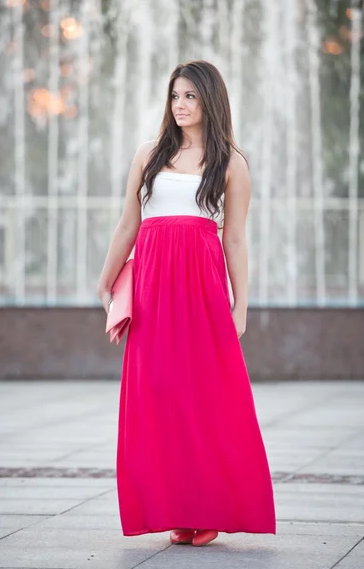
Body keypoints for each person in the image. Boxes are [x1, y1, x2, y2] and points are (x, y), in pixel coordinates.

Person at [97, 60, 276, 547]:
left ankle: (209, 508)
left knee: (207, 398)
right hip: (153, 290)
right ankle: (176, 507)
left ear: (210, 101)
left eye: (191, 97)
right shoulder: (149, 153)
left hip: (202, 292)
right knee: (159, 395)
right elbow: (127, 222)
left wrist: (240, 307)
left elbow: (235, 239)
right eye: (175, 96)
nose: (180, 105)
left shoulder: (231, 162)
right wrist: (107, 276)